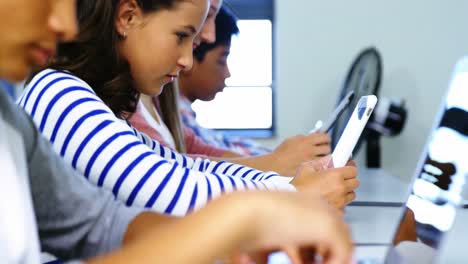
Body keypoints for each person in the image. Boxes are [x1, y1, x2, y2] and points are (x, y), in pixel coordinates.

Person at [1, 1, 354, 263]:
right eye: (183, 35)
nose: (66, 26)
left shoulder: (11, 120)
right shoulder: (55, 91)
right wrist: (271, 204)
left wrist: (265, 212)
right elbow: (172, 194)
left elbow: (109, 222)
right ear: (127, 17)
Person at [129, 6, 333, 178]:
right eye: (208, 14)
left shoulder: (155, 97)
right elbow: (168, 175)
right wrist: (274, 166)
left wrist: (276, 163)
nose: (210, 34)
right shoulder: (125, 105)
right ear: (127, 18)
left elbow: (191, 154)